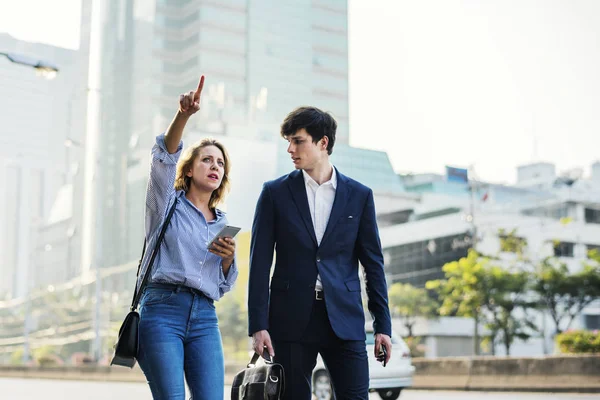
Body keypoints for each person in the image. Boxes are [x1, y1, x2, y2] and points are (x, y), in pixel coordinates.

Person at [248, 106, 392, 399]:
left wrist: (382, 326)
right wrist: (258, 325)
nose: (290, 149)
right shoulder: (274, 193)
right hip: (290, 319)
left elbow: (373, 264)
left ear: (323, 143)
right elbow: (259, 264)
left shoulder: (360, 196)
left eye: (298, 141)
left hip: (344, 317)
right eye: (288, 141)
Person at [136, 75, 238, 399]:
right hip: (162, 309)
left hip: (205, 316)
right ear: (190, 169)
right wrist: (183, 115)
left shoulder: (222, 223)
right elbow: (163, 158)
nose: (215, 165)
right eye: (207, 159)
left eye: (220, 163)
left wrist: (227, 260)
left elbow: (222, 286)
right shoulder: (166, 202)